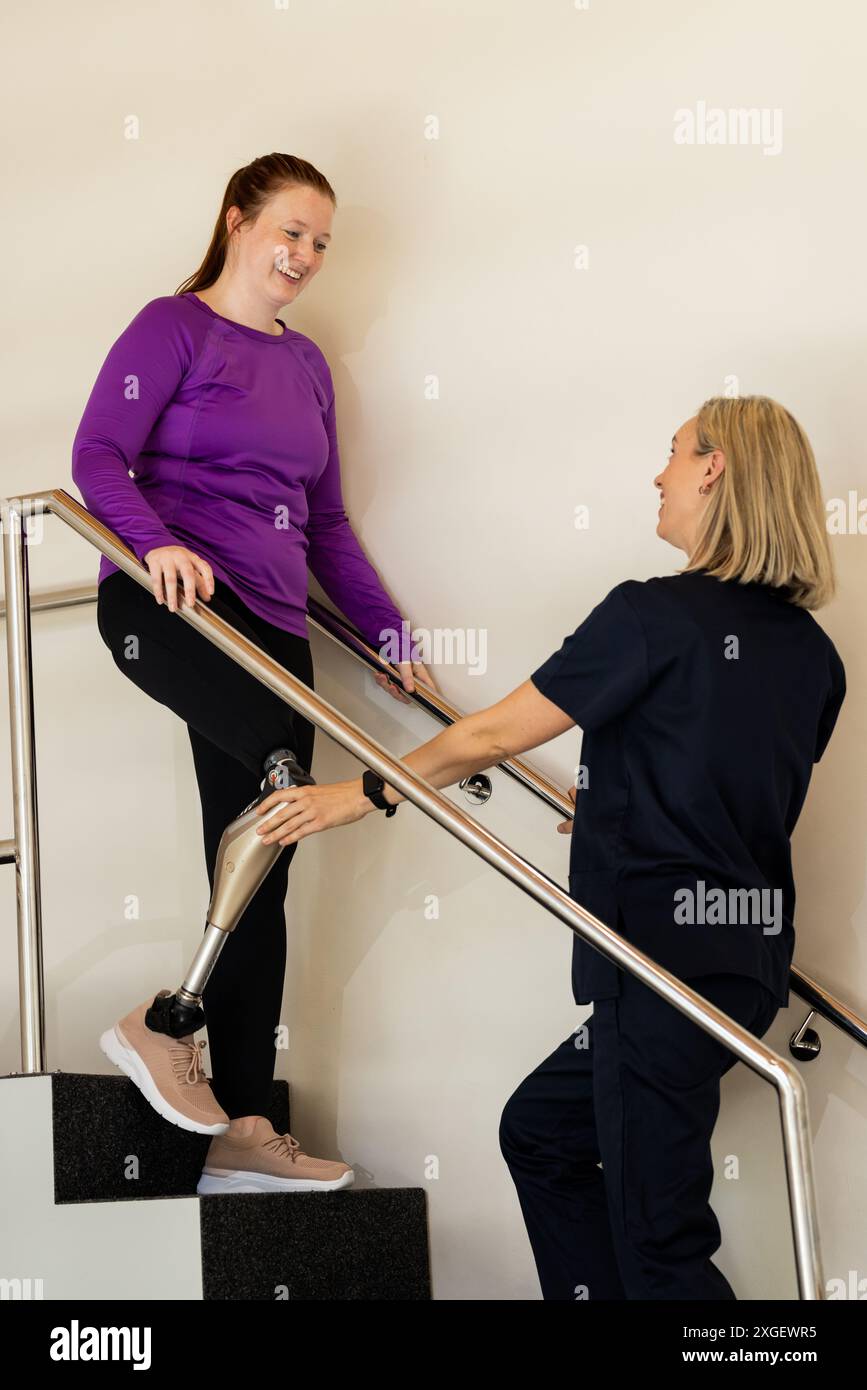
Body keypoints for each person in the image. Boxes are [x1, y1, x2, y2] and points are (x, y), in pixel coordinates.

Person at [253, 395, 847, 1297]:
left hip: (654, 966)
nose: (659, 472)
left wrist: (356, 793)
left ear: (714, 469)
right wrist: (614, 811)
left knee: (660, 1243)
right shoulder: (813, 655)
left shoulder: (649, 616)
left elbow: (488, 737)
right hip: (740, 964)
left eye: (674, 452)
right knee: (542, 1132)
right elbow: (732, 786)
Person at [72, 152, 437, 1194]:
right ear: (236, 220)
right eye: (291, 231)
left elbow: (324, 523)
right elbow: (99, 455)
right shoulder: (171, 327)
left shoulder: (308, 364)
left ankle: (244, 1121)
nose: (307, 256)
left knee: (271, 855)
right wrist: (154, 545)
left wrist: (388, 636)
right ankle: (163, 1020)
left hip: (277, 632)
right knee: (284, 776)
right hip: (170, 606)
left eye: (322, 242)